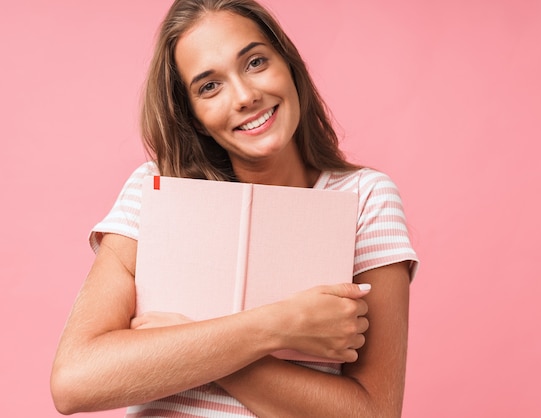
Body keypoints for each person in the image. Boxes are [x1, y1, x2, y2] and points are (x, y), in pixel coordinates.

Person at [51, 0, 418, 416]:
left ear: (290, 65)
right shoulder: (155, 190)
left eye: (256, 62)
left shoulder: (365, 199)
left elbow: (373, 412)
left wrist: (188, 344)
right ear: (193, 116)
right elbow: (74, 381)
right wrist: (279, 324)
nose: (245, 96)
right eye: (209, 86)